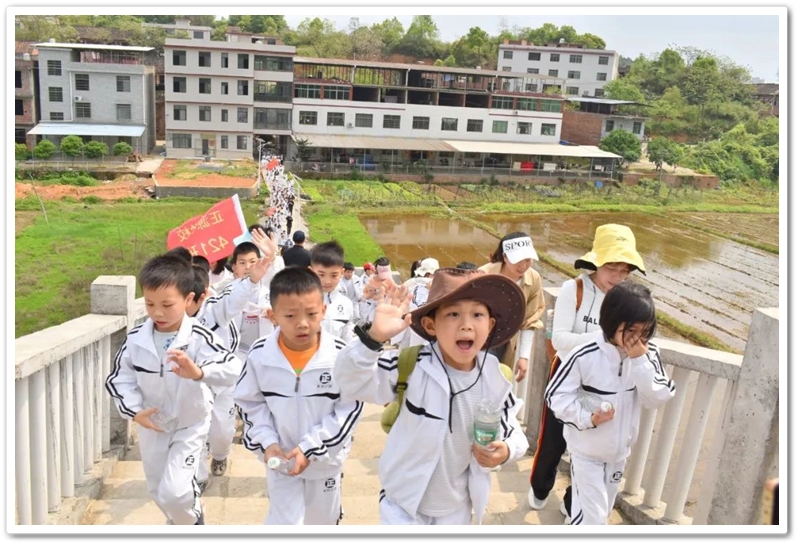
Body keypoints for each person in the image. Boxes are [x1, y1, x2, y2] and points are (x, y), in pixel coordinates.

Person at [334, 268, 530, 525]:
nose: (466, 324)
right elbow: (349, 382)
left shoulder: (494, 378)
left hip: (456, 508)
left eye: (477, 314)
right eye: (453, 314)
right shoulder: (411, 365)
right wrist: (373, 338)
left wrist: (507, 450)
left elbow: (512, 428)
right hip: (402, 505)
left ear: (490, 324)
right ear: (430, 325)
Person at [104, 254, 240, 525]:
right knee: (158, 490)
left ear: (188, 299)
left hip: (190, 423)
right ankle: (184, 522)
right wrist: (135, 412)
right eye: (150, 304)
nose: (157, 312)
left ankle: (192, 522)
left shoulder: (199, 336)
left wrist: (199, 372)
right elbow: (119, 380)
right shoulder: (136, 339)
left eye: (167, 305)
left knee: (176, 493)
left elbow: (232, 367)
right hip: (154, 423)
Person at [528, 223, 646, 520]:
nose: (617, 277)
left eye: (624, 271)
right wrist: (604, 339)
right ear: (596, 262)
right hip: (568, 378)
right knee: (554, 440)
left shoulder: (627, 298)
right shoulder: (575, 290)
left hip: (605, 384)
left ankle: (572, 502)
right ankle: (540, 487)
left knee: (590, 447)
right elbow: (560, 340)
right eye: (611, 268)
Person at [234, 268, 364, 525]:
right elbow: (249, 404)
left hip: (324, 461)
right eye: (290, 316)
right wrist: (267, 442)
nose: (302, 323)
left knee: (322, 524)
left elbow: (349, 409)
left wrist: (310, 448)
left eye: (312, 314)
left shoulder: (339, 356)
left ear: (323, 311)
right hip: (281, 459)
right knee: (284, 524)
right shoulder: (260, 355)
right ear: (273, 316)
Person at [545, 280, 675, 525]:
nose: (637, 339)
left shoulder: (647, 354)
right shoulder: (584, 354)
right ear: (612, 321)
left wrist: (639, 361)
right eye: (631, 330)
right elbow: (556, 396)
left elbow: (658, 396)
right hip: (586, 453)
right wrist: (588, 418)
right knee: (594, 520)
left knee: (600, 513)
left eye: (645, 331)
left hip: (618, 455)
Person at [479, 232, 545, 385]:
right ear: (505, 257)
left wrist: (523, 357)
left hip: (506, 340)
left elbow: (530, 320)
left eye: (528, 260)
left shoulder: (533, 279)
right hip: (479, 336)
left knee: (499, 382)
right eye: (517, 260)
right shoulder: (484, 275)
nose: (523, 266)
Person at [309, 241, 356, 341]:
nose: (327, 281)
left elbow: (347, 338)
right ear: (311, 272)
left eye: (334, 275)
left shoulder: (346, 304)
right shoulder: (300, 301)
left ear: (342, 273)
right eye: (321, 275)